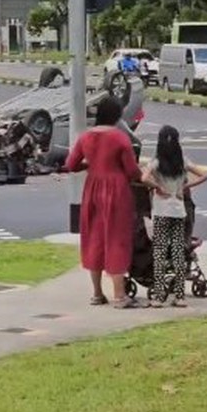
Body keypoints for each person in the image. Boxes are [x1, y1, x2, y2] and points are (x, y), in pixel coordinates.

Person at [65, 97, 143, 309]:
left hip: (92, 189)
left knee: (95, 238)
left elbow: (71, 165)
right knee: (117, 239)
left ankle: (97, 293)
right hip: (117, 190)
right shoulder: (120, 138)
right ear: (116, 115)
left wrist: (89, 164)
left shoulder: (85, 137)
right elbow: (132, 171)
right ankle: (119, 295)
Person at [141, 125, 207, 308]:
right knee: (178, 251)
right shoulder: (182, 162)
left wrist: (157, 187)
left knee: (160, 252)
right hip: (179, 211)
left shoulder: (156, 162)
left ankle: (159, 296)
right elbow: (204, 175)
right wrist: (183, 188)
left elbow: (144, 177)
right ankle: (179, 296)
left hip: (161, 211)